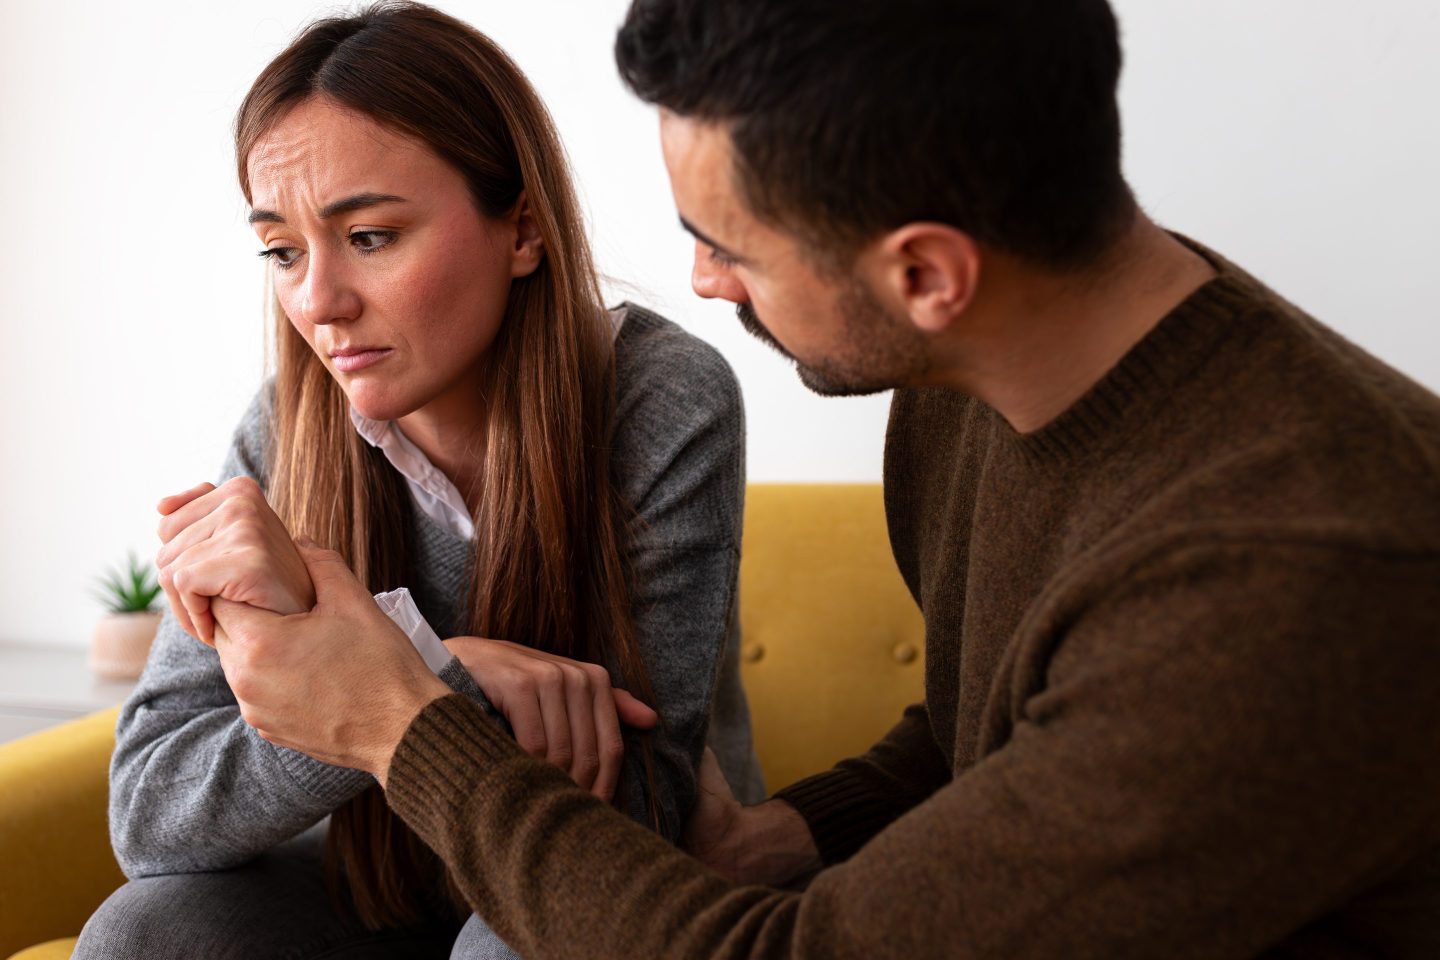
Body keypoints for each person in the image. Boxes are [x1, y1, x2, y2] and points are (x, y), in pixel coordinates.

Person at [154, 0, 1440, 957]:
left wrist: (396, 712)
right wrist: (800, 826)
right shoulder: (981, 383)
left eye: (730, 244)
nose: (704, 284)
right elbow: (985, 721)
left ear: (925, 274)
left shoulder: (1291, 574)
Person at [76, 4, 764, 959]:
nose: (318, 301)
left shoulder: (660, 399)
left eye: (370, 236)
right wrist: (452, 667)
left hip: (590, 885)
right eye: (281, 250)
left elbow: (644, 800)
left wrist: (396, 682)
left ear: (522, 231)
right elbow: (150, 813)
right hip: (369, 882)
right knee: (146, 933)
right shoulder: (282, 429)